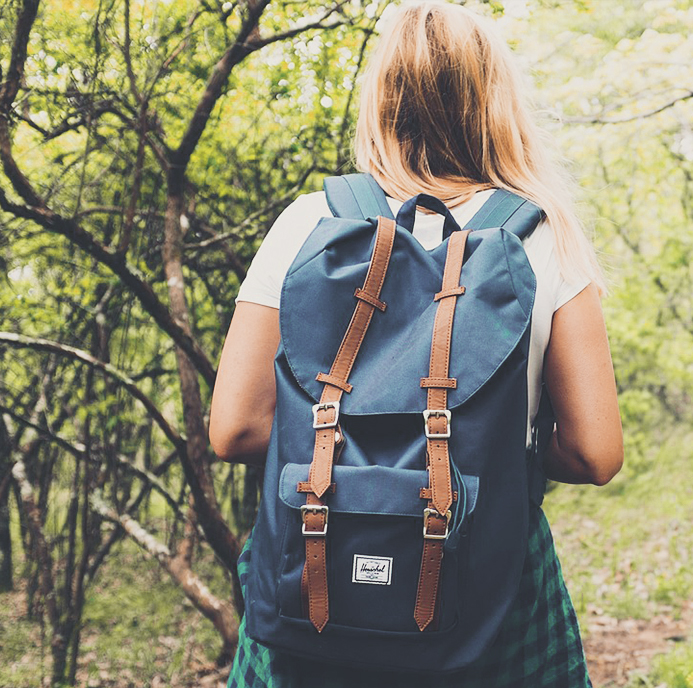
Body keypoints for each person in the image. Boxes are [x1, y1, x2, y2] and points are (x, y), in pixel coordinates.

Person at [208, 2, 623, 686]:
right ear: (494, 99)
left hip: (315, 586)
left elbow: (234, 429)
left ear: (381, 97)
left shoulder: (306, 225)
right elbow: (593, 451)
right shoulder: (542, 238)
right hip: (481, 595)